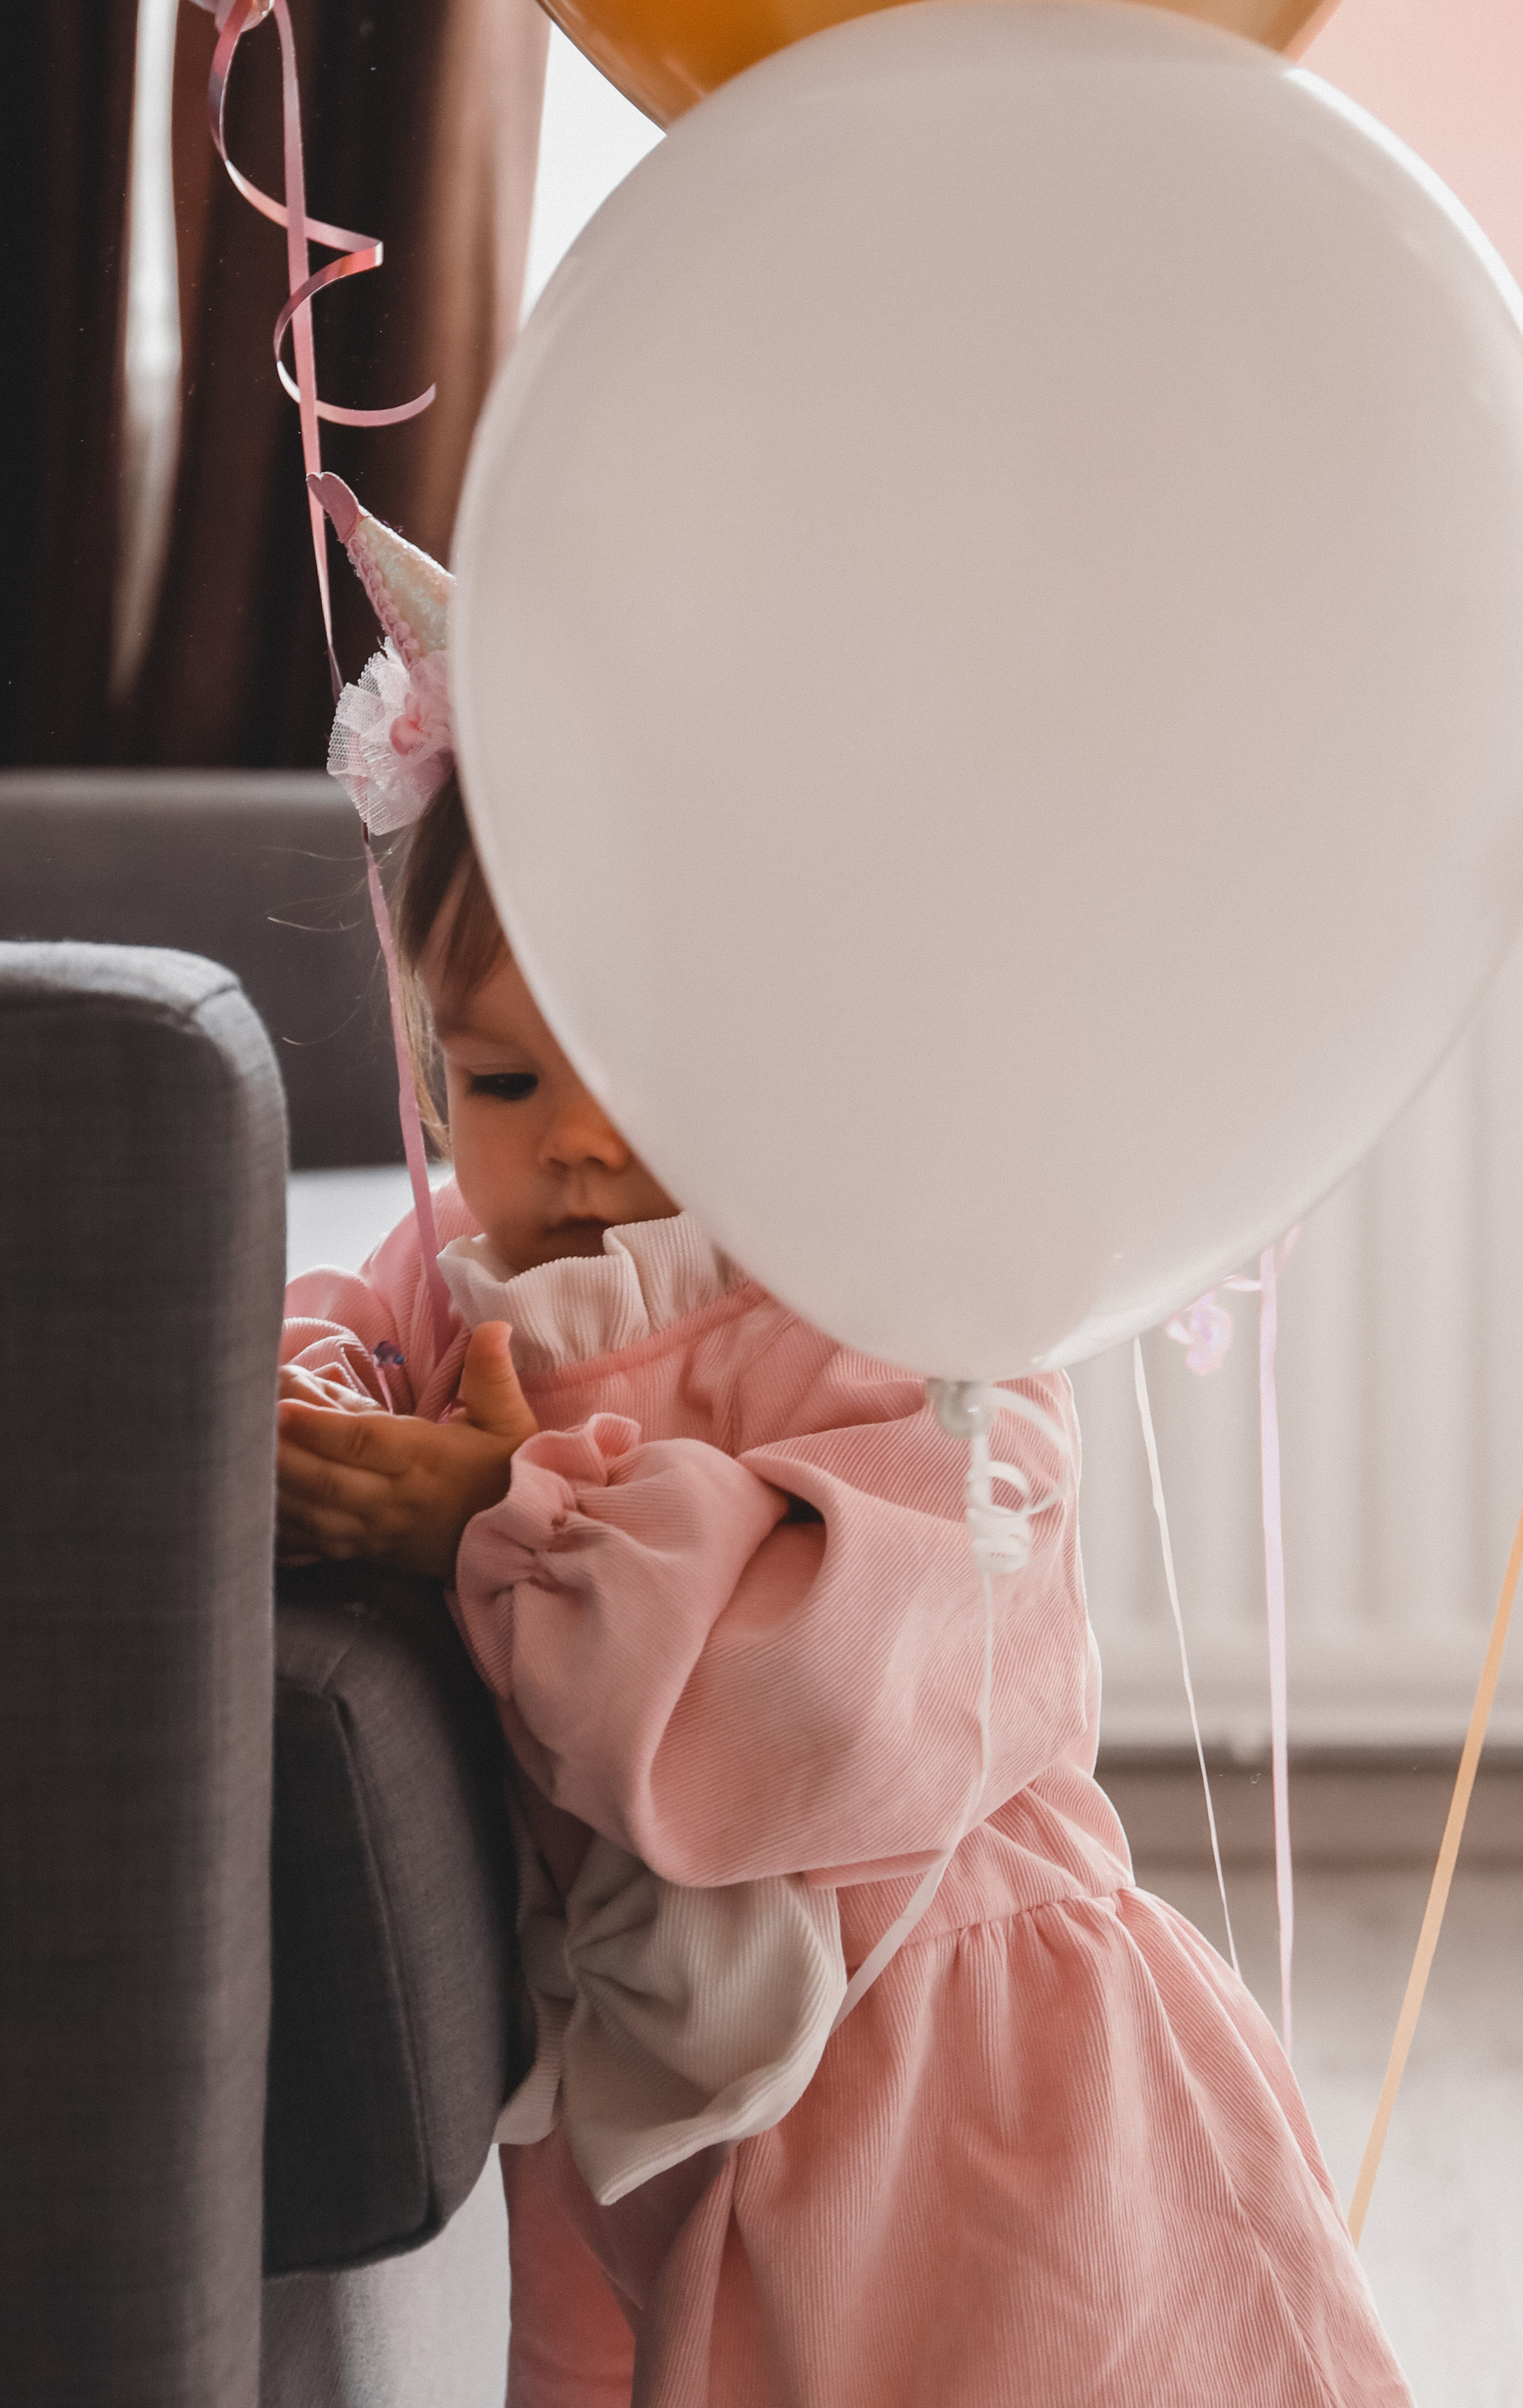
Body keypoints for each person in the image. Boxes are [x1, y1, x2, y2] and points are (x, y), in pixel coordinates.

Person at [279, 483, 1412, 2407]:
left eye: (636, 1071)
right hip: (653, 2110)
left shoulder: (885, 1294)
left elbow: (864, 1678)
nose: (567, 1143)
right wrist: (323, 1421)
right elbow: (335, 1346)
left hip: (960, 2072)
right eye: (495, 1079)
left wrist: (514, 1523)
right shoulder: (462, 1277)